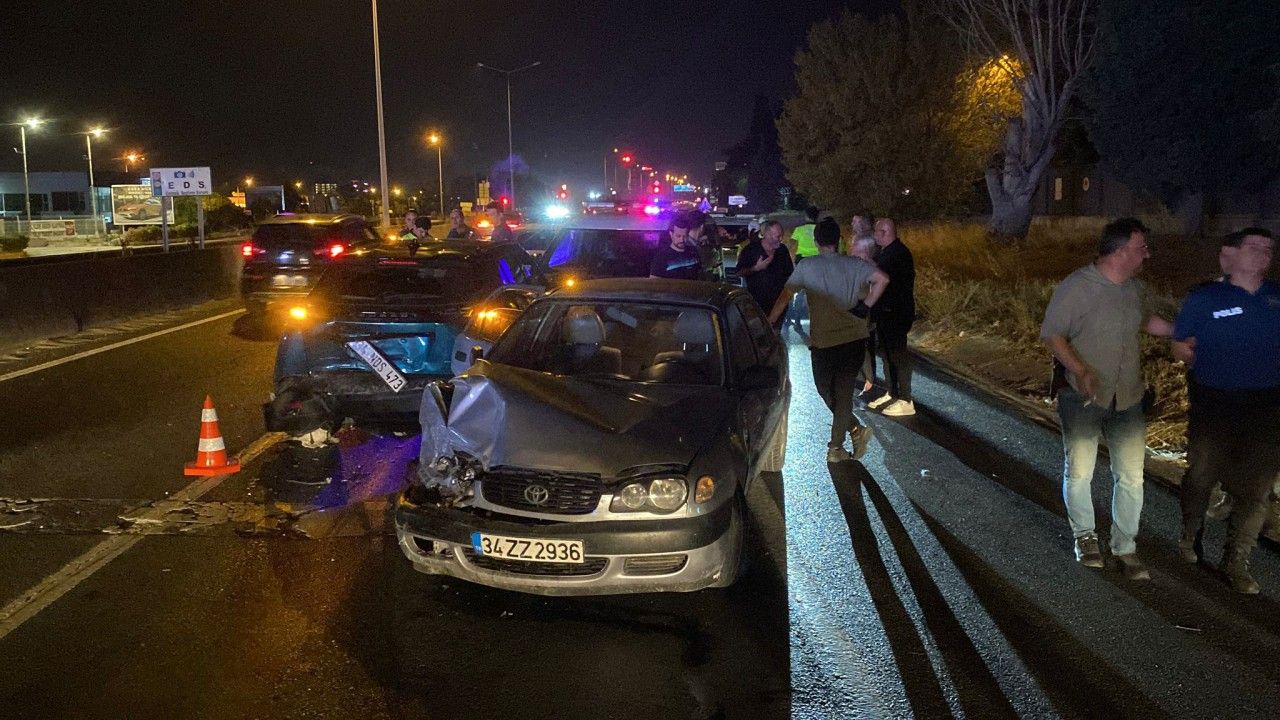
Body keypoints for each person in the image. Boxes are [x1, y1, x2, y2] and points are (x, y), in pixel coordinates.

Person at [1040, 218, 1172, 578]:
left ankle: (1125, 547)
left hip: (1127, 396)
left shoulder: (1134, 289)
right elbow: (1052, 334)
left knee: (1131, 476)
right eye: (1142, 248)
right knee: (1080, 472)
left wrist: (1182, 332)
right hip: (1084, 397)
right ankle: (1085, 537)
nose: (1147, 255)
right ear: (1121, 250)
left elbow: (1147, 321)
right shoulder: (1077, 286)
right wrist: (1080, 370)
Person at [1172, 227, 1280, 594]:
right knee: (1201, 475)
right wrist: (1197, 359)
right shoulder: (1205, 298)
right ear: (1232, 254)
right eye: (1254, 245)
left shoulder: (1276, 297)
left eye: (1268, 248)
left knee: (1257, 489)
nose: (1263, 252)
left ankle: (1236, 561)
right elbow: (1180, 345)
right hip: (1214, 404)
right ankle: (1190, 533)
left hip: (1266, 407)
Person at [768, 218, 889, 463]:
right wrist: (866, 305)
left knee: (829, 391)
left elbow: (785, 296)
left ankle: (836, 447)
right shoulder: (855, 264)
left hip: (826, 341)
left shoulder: (806, 266)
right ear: (839, 240)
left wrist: (769, 322)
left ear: (816, 241)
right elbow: (883, 279)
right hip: (851, 340)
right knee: (837, 394)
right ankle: (854, 429)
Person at [865, 217, 918, 417]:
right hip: (885, 311)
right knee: (887, 354)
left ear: (884, 232)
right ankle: (892, 392)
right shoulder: (887, 252)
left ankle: (906, 399)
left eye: (876, 232)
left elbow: (887, 279)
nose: (874, 236)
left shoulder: (899, 253)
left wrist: (869, 263)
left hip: (896, 312)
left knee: (898, 354)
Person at [849, 216, 880, 396]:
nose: (852, 224)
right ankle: (864, 379)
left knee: (863, 343)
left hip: (864, 306)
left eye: (856, 222)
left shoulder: (868, 261)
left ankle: (868, 380)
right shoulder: (859, 244)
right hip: (859, 305)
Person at [737, 219, 794, 313]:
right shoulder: (750, 250)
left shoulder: (782, 250)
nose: (781, 239)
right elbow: (739, 272)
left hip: (779, 304)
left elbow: (789, 273)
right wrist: (756, 268)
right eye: (778, 236)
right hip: (757, 304)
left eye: (782, 236)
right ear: (767, 235)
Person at [649, 214, 702, 280]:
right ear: (671, 234)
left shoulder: (693, 252)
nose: (682, 240)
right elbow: (654, 282)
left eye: (684, 236)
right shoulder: (661, 257)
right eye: (678, 236)